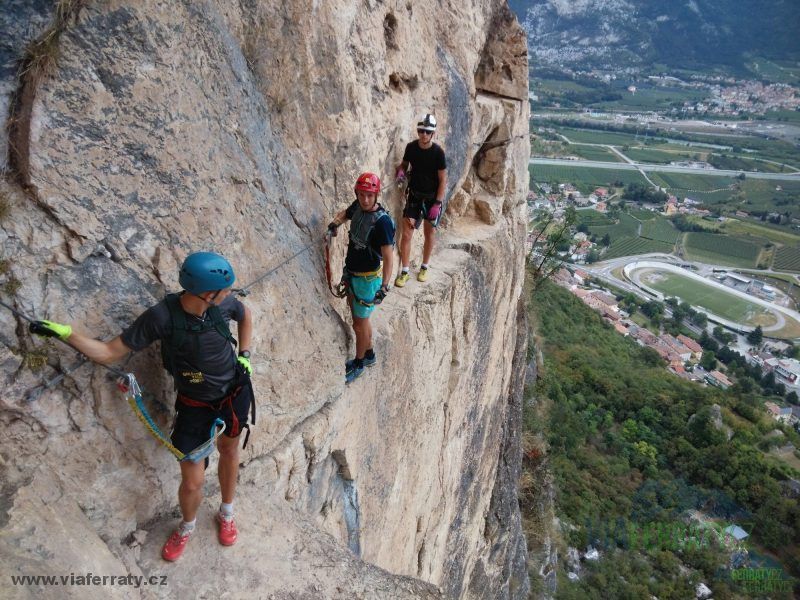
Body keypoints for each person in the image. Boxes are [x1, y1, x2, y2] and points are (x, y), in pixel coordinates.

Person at [28, 252, 254, 562]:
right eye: (225, 288)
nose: (230, 293)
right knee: (192, 482)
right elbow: (109, 352)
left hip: (234, 393)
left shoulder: (223, 305)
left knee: (230, 451)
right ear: (206, 292)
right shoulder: (161, 318)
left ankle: (226, 513)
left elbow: (245, 314)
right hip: (195, 405)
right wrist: (67, 335)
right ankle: (187, 526)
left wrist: (245, 355)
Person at [328, 172, 395, 384]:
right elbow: (346, 214)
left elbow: (388, 255)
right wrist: (335, 224)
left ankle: (359, 362)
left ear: (376, 195)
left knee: (360, 323)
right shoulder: (358, 206)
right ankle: (369, 353)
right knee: (359, 318)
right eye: (362, 194)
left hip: (367, 280)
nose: (365, 199)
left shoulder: (382, 222)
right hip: (354, 273)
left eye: (369, 195)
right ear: (357, 193)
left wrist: (384, 286)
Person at [394, 113, 447, 287]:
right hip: (415, 197)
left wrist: (438, 204)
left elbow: (442, 180)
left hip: (432, 198)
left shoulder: (438, 153)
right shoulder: (411, 148)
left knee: (429, 233)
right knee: (407, 233)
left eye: (427, 131)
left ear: (432, 134)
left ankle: (424, 266)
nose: (423, 134)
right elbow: (404, 164)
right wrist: (401, 171)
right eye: (421, 130)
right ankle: (405, 271)